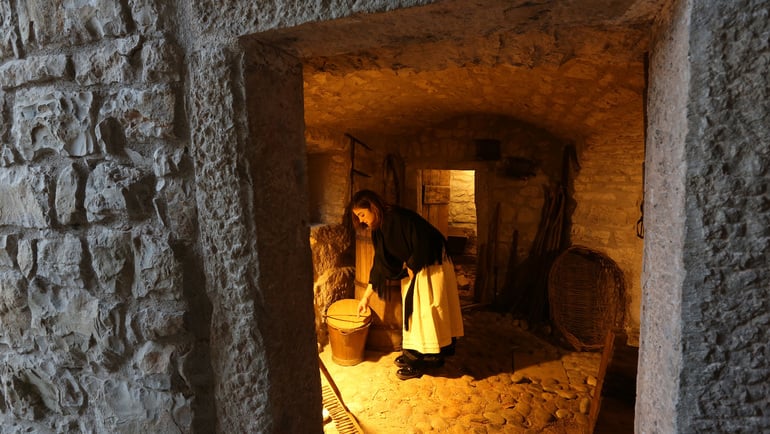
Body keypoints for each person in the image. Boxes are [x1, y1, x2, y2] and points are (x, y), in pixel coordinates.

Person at [348, 189, 464, 380]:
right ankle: (414, 355)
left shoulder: (396, 218)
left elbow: (426, 237)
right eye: (357, 216)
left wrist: (413, 263)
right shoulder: (380, 229)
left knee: (425, 313)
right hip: (417, 266)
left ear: (373, 208)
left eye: (362, 214)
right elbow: (380, 265)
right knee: (415, 315)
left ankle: (423, 361)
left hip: (430, 263)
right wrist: (365, 298)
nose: (361, 220)